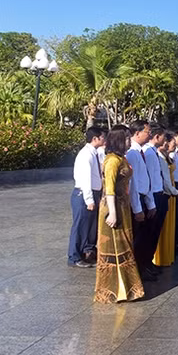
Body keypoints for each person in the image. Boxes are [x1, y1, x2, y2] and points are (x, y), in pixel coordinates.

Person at [94, 125, 145, 303]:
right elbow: (109, 188)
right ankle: (110, 289)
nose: (129, 142)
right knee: (112, 248)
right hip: (112, 209)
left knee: (125, 246)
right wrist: (113, 213)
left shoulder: (121, 158)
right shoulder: (111, 161)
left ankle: (128, 287)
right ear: (118, 141)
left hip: (123, 207)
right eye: (126, 139)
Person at [68, 126, 105, 268]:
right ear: (95, 139)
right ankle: (74, 257)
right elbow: (85, 179)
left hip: (93, 193)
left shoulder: (94, 153)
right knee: (80, 226)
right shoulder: (86, 155)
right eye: (102, 137)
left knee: (89, 227)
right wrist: (89, 199)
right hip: (83, 194)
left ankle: (86, 253)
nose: (104, 140)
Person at [126, 120, 157, 282]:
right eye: (147, 131)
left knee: (145, 238)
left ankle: (144, 266)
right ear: (137, 133)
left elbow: (146, 180)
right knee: (138, 240)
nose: (149, 134)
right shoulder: (132, 153)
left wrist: (151, 203)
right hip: (137, 201)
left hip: (144, 199)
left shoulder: (140, 152)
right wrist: (138, 208)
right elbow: (134, 184)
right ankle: (137, 270)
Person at [142, 123, 169, 273]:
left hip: (159, 194)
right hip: (153, 196)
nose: (165, 140)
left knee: (155, 232)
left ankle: (148, 262)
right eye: (163, 137)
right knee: (149, 233)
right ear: (157, 137)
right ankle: (144, 263)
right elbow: (149, 179)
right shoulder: (149, 153)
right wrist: (151, 201)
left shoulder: (153, 152)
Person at [154, 132, 178, 267]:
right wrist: (176, 192)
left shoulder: (167, 156)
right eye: (168, 141)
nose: (168, 144)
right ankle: (160, 257)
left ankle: (167, 254)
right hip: (167, 190)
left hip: (170, 190)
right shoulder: (158, 156)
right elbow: (165, 179)